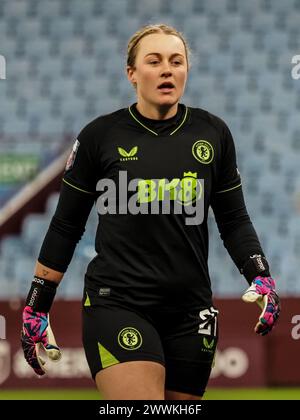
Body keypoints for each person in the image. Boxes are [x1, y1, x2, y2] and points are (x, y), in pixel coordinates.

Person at [21, 24, 280, 400]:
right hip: (118, 302)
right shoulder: (100, 136)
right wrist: (36, 304)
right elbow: (65, 225)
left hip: (192, 310)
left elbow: (234, 220)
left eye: (177, 61)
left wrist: (260, 275)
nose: (167, 70)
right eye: (154, 61)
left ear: (187, 69)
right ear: (132, 73)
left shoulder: (213, 134)